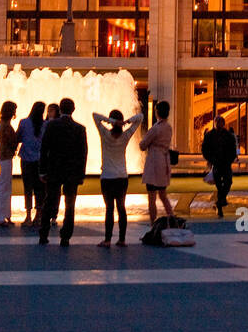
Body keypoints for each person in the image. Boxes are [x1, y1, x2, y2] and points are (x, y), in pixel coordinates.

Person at [38, 97, 87, 245]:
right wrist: (81, 174)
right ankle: (65, 236)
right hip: (72, 173)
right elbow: (83, 153)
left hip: (54, 170)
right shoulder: (80, 129)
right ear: (73, 109)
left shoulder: (52, 126)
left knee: (49, 201)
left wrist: (42, 170)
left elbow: (44, 148)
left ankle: (43, 234)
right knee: (70, 204)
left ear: (60, 109)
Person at [93, 108, 143, 246]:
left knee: (109, 208)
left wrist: (112, 122)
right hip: (122, 177)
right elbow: (140, 117)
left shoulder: (104, 134)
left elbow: (95, 115)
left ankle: (107, 239)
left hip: (107, 177)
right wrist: (126, 122)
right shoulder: (126, 136)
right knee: (121, 207)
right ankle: (122, 239)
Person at [138, 100, 176, 225]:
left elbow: (143, 145)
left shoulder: (155, 128)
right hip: (164, 162)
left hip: (154, 163)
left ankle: (152, 221)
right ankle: (172, 217)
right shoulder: (168, 128)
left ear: (157, 112)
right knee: (163, 195)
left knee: (151, 197)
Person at [16, 101, 47, 229]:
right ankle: (38, 216)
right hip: (40, 161)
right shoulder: (46, 125)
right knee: (40, 189)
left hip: (26, 160)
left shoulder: (24, 122)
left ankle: (28, 216)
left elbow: (18, 138)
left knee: (27, 188)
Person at [201, 115, 237, 217]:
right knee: (219, 184)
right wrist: (211, 160)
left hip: (225, 163)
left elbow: (232, 149)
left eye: (220, 122)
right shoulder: (210, 135)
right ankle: (220, 203)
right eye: (217, 122)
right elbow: (205, 149)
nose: (218, 124)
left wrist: (229, 160)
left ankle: (219, 202)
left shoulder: (227, 136)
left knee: (227, 182)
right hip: (216, 163)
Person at [0, 101, 18, 228]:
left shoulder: (1, 123)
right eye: (14, 110)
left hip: (2, 155)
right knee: (4, 185)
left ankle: (3, 215)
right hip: (5, 155)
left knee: (5, 184)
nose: (15, 113)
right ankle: (0, 216)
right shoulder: (6, 125)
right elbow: (9, 140)